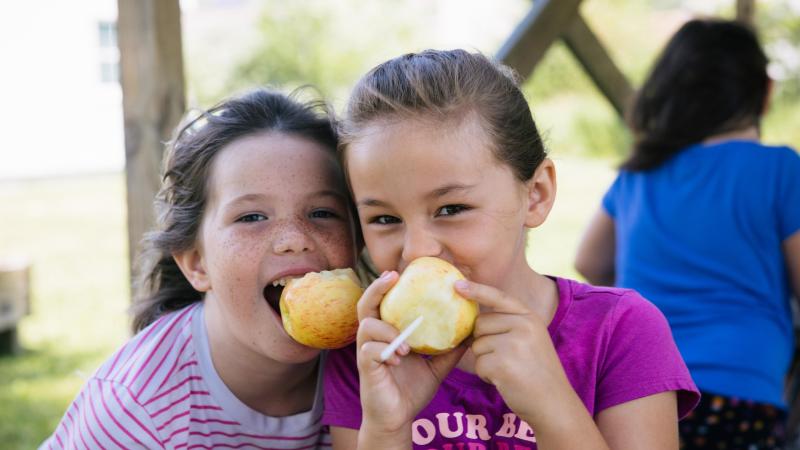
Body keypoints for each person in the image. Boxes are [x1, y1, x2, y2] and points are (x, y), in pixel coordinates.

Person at [322, 49, 700, 450]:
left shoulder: (621, 330)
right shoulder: (369, 355)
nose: (417, 251)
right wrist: (385, 429)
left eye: (451, 209)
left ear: (536, 195)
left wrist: (553, 408)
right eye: (384, 219)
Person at [40, 88, 359, 449]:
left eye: (322, 213)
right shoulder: (138, 411)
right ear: (196, 263)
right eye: (252, 216)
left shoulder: (380, 360)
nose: (294, 239)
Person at [574, 19, 800, 449]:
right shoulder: (780, 170)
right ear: (766, 93)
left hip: (639, 384)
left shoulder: (641, 174)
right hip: (741, 390)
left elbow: (589, 260)